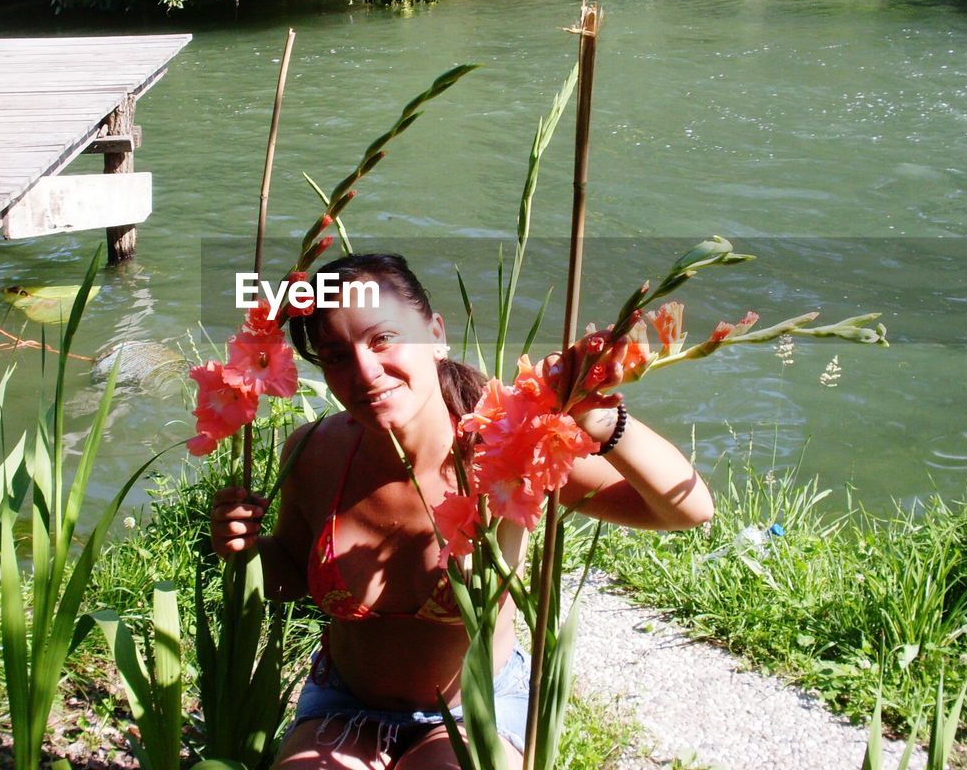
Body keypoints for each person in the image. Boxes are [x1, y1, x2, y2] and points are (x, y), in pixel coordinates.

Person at [210, 253, 714, 770]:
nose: (364, 371)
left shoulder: (505, 445)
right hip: (344, 706)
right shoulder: (314, 451)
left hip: (478, 709)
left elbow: (687, 510)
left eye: (384, 339)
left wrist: (606, 423)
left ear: (434, 332)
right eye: (337, 355)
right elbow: (290, 575)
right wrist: (243, 548)